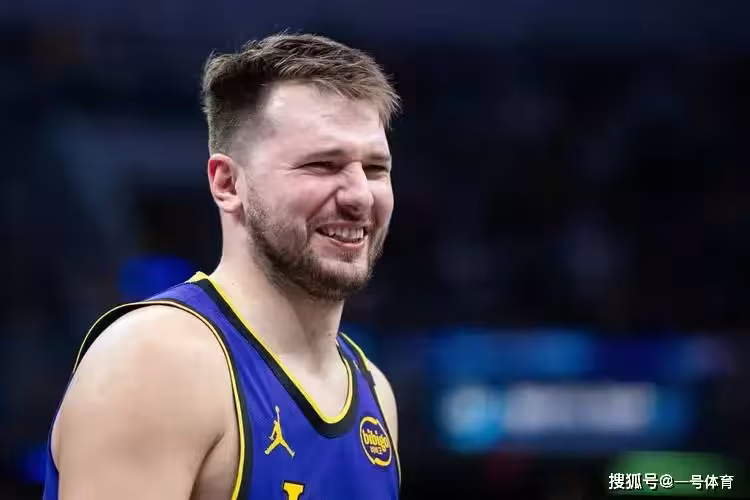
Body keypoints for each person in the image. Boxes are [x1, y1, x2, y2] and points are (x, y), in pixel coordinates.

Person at [43, 33, 401, 500]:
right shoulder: (156, 364)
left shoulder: (375, 391)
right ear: (228, 184)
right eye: (322, 164)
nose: (359, 196)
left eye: (375, 169)